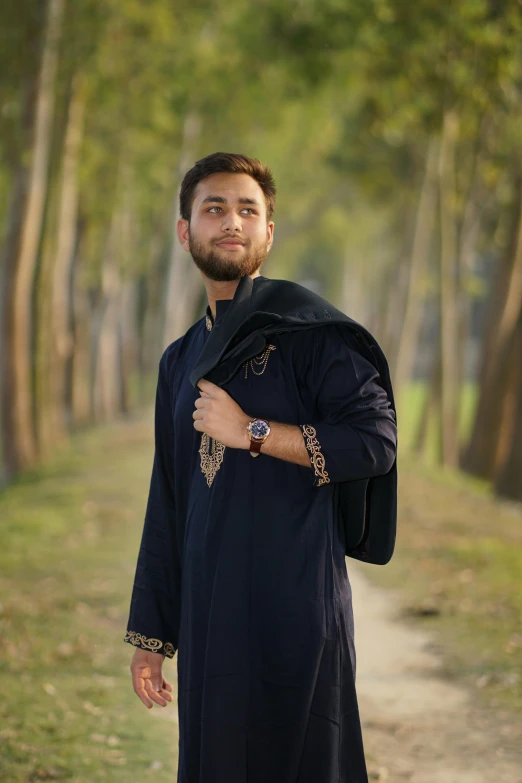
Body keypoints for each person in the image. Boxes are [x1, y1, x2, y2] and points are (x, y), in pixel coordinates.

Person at [124, 152, 397, 783]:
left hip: (296, 606)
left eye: (248, 210)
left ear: (269, 232)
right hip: (208, 615)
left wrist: (251, 432)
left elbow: (375, 440)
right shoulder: (179, 359)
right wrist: (150, 633)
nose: (231, 222)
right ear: (184, 230)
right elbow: (168, 501)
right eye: (213, 208)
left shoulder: (313, 337)